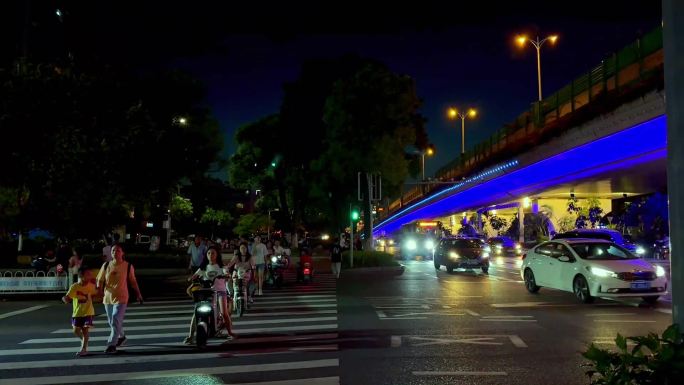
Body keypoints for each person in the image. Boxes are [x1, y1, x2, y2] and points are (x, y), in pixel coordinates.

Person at [96, 243, 143, 354]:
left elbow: (133, 282)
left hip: (122, 297)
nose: (115, 253)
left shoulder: (128, 266)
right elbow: (100, 280)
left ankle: (111, 344)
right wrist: (99, 291)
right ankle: (121, 336)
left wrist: (139, 294)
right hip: (108, 298)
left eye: (118, 251)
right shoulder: (106, 265)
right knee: (112, 321)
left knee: (116, 319)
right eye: (113, 251)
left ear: (122, 253)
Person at [183, 246, 235, 344]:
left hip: (220, 292)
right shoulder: (203, 268)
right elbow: (195, 275)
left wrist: (227, 275)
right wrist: (192, 278)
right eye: (209, 253)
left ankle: (230, 332)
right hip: (207, 292)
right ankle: (190, 336)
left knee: (224, 313)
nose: (211, 255)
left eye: (213, 253)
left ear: (217, 255)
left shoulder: (221, 267)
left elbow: (226, 272)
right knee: (196, 312)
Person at [62, 266, 97, 357]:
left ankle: (84, 349)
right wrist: (65, 299)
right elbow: (68, 297)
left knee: (85, 330)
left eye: (90, 274)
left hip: (88, 312)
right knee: (76, 330)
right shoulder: (74, 287)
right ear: (81, 275)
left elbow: (97, 294)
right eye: (88, 274)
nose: (91, 276)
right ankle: (84, 340)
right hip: (77, 312)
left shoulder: (92, 286)